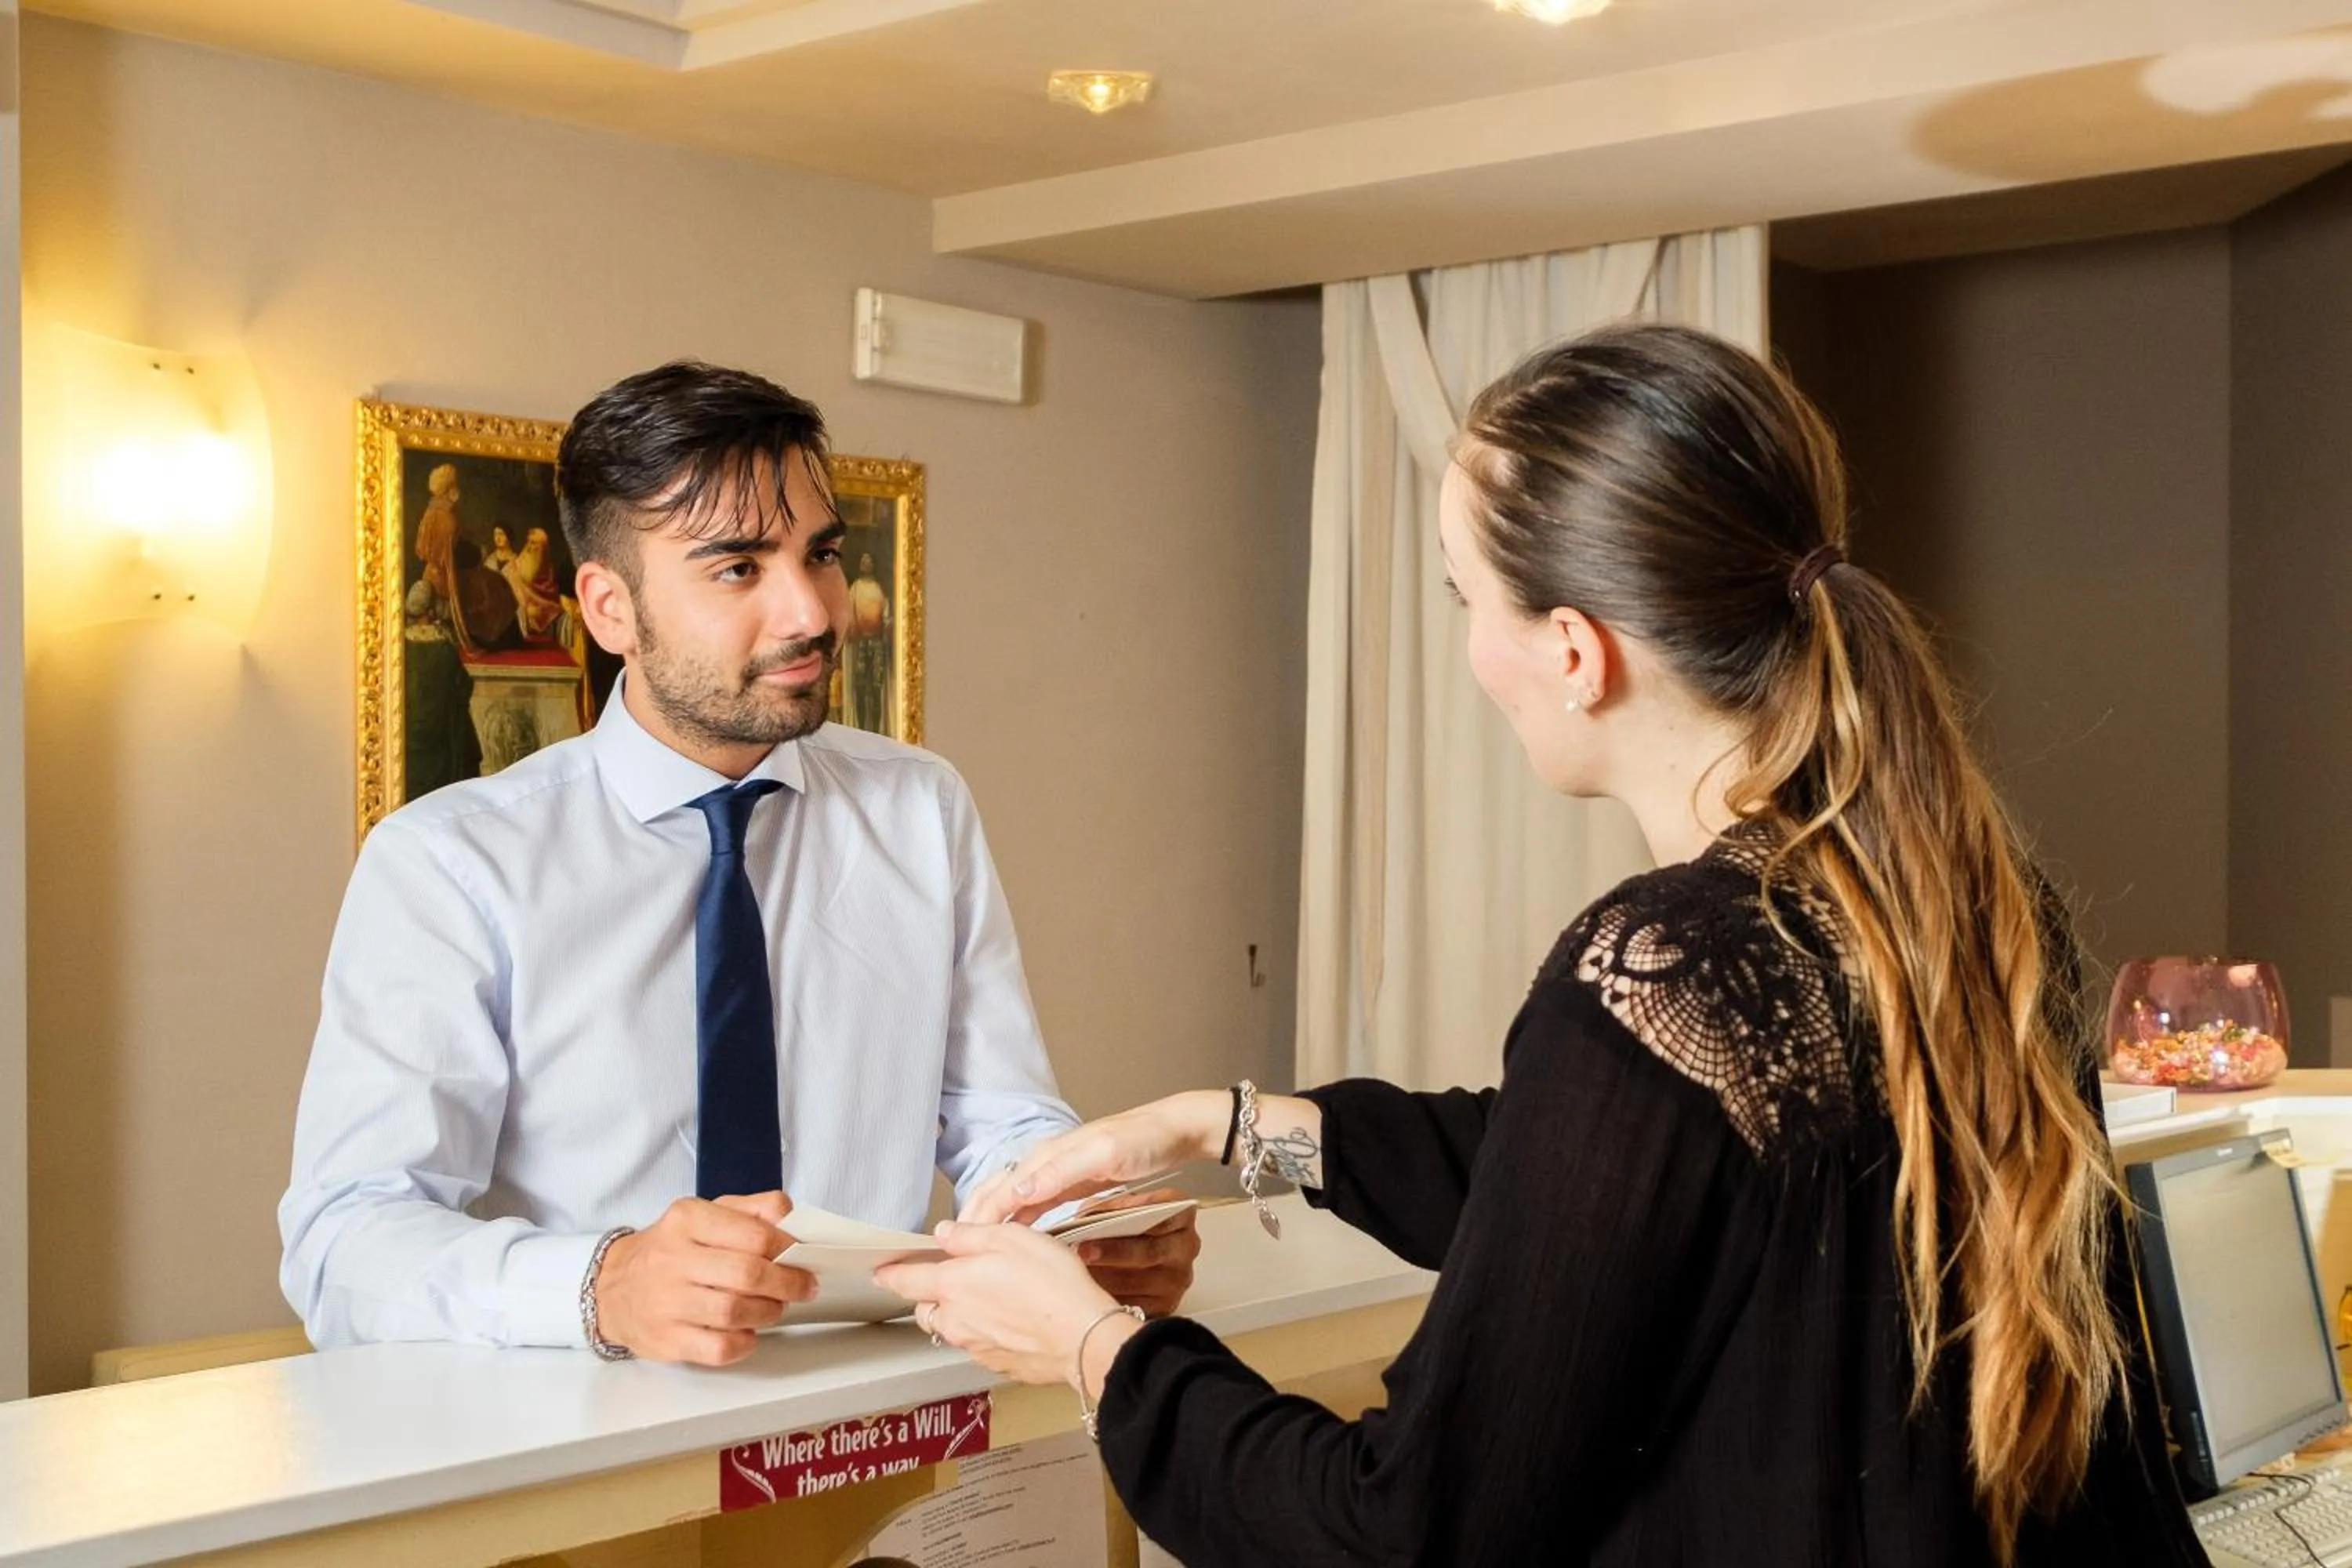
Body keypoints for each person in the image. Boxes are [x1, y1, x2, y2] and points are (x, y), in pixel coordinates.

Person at [877, 325, 2205, 1564]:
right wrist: (1223, 1124)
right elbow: (1593, 1186)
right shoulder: (1948, 892)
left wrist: (1095, 1348)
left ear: (1575, 650)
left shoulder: (1663, 962)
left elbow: (1407, 1533)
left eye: (1469, 599)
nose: (1470, 649)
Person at [283, 361, 1198, 1364]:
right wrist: (602, 1284)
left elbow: (997, 1116)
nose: (812, 612)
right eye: (738, 568)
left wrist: (1078, 1223)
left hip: (874, 1417)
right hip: (580, 1451)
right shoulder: (450, 864)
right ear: (608, 609)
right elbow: (344, 1242)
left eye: (819, 555)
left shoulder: (918, 805)